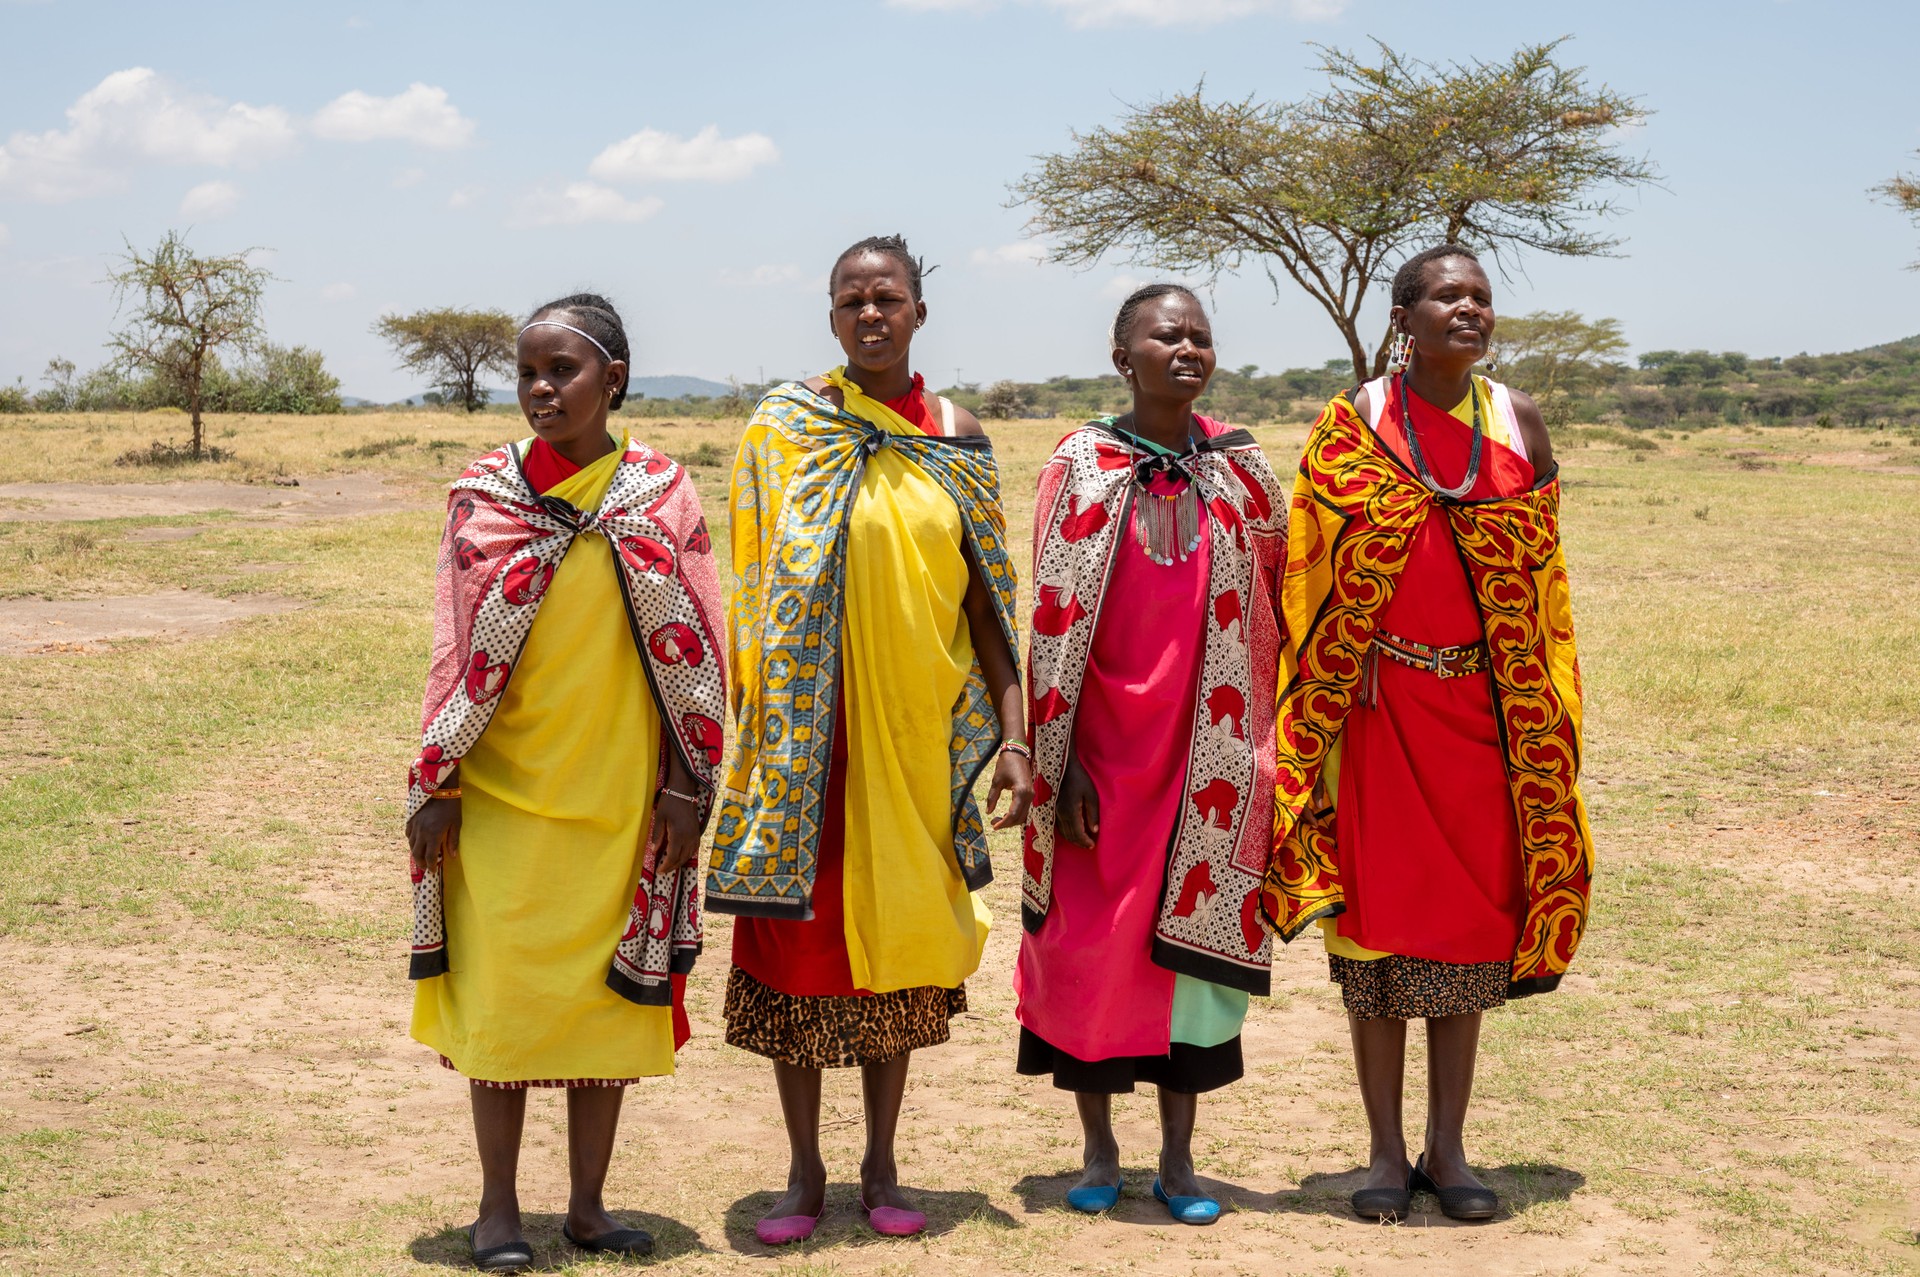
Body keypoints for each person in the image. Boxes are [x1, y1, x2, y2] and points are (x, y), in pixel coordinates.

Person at [1258, 245, 1595, 1223]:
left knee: (1468, 936)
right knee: (1376, 937)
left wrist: (1530, 687)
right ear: (1404, 315)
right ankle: (1381, 1151)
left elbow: (1541, 573)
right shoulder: (1354, 421)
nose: (1469, 308)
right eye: (1448, 294)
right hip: (1376, 713)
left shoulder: (1515, 420)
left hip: (1483, 719)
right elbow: (1306, 553)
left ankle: (1449, 1150)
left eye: (1482, 296)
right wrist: (1341, 636)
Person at [707, 234, 1031, 1245]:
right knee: (795, 948)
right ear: (833, 316)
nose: (871, 313)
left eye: (889, 296)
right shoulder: (787, 427)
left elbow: (989, 606)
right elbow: (756, 579)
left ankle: (882, 1161)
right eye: (852, 299)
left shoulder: (956, 436)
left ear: (919, 312)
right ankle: (802, 1173)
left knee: (900, 945)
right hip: (807, 742)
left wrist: (1014, 735)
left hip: (912, 741)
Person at [404, 293, 728, 1272]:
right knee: (501, 1001)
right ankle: (497, 1211)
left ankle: (589, 1208)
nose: (543, 390)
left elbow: (704, 650)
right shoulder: (483, 496)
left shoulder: (662, 494)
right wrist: (438, 780)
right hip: (502, 798)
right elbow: (453, 651)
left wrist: (685, 782)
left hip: (623, 796)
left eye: (564, 371)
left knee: (602, 1008)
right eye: (529, 374)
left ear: (613, 380)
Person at [1016, 284, 1288, 1226]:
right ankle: (1096, 1148)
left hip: (1209, 755)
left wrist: (1267, 746)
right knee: (1089, 952)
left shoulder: (1245, 468)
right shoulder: (1081, 464)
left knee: (1193, 976)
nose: (1185, 347)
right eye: (1164, 334)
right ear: (1121, 354)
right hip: (1099, 760)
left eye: (1200, 336)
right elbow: (1050, 624)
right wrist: (1061, 765)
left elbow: (1280, 605)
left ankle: (1178, 1159)